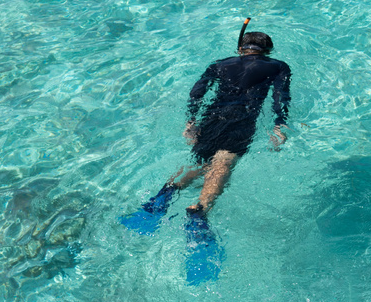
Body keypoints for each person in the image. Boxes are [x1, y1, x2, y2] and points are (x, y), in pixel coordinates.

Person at [120, 19, 292, 283]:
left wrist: (190, 120)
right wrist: (279, 124)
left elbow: (197, 91)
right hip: (241, 120)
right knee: (224, 162)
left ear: (241, 48)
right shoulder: (278, 66)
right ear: (266, 51)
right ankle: (199, 211)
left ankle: (163, 195)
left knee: (200, 160)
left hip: (211, 118)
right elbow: (280, 96)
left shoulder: (220, 64)